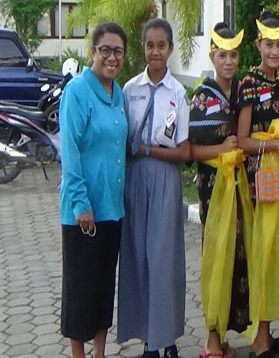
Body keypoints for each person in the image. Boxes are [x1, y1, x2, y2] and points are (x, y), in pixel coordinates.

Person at [117, 18, 190, 358]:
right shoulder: (130, 90)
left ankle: (167, 337)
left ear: (170, 49)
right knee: (138, 258)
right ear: (143, 48)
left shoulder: (178, 93)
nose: (155, 51)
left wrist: (148, 150)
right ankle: (148, 338)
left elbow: (184, 152)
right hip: (135, 180)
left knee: (164, 260)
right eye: (150, 45)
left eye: (162, 45)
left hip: (164, 177)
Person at [59, 21, 129, 358]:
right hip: (83, 212)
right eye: (106, 50)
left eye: (118, 51)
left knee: (103, 288)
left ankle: (99, 352)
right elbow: (70, 151)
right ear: (93, 52)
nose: (112, 57)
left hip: (112, 208)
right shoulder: (77, 91)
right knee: (80, 291)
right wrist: (80, 203)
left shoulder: (119, 93)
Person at [237, 10, 279, 358]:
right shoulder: (249, 83)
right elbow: (244, 140)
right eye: (269, 44)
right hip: (260, 182)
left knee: (278, 254)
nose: (275, 51)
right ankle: (259, 341)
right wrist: (275, 145)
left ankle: (268, 333)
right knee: (262, 253)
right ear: (259, 45)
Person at [189, 23, 247, 358]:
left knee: (238, 260)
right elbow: (191, 150)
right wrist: (222, 150)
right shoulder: (203, 96)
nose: (228, 61)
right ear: (212, 57)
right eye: (222, 55)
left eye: (233, 55)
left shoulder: (242, 91)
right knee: (216, 259)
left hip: (241, 188)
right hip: (213, 188)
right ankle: (211, 339)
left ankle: (224, 334)